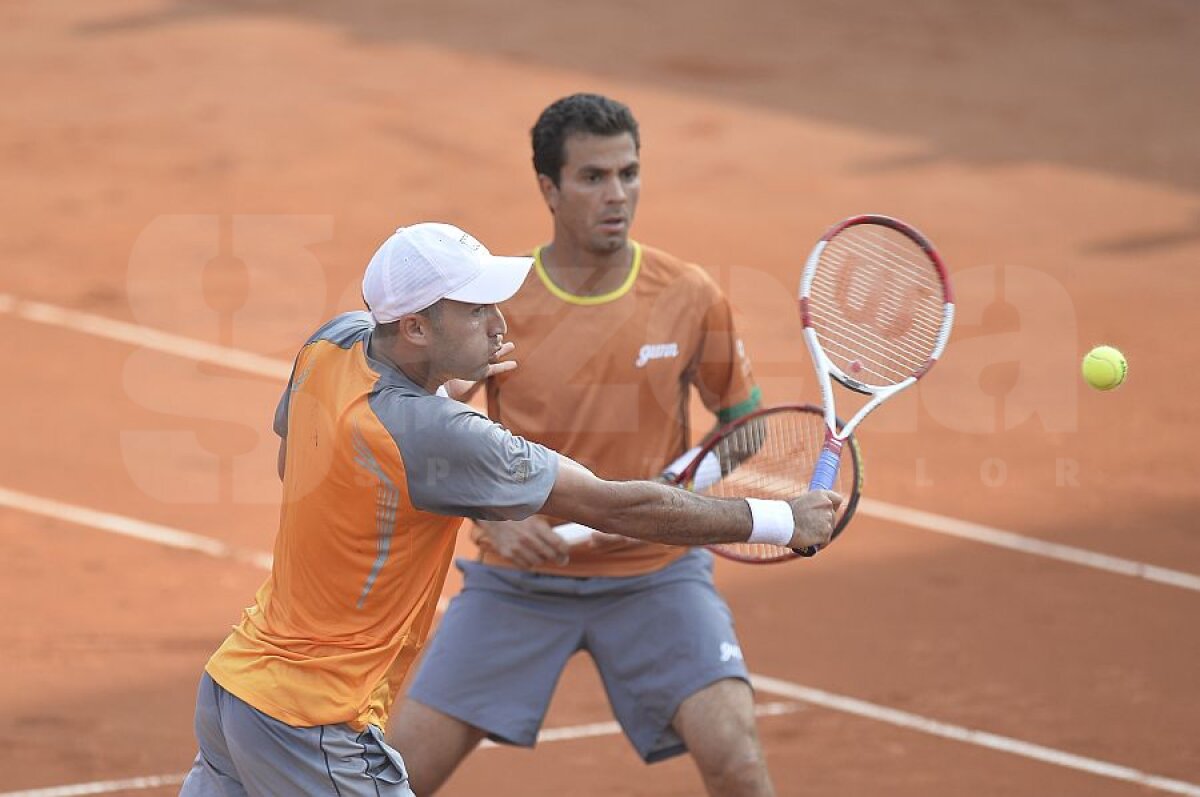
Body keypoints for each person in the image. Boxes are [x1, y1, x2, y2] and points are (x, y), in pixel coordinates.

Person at [179, 220, 840, 796]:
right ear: (414, 326)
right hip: (312, 718)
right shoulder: (442, 434)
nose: (499, 320)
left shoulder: (332, 343)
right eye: (474, 309)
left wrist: (443, 384)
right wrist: (781, 518)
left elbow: (292, 460)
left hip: (236, 688)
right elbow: (615, 504)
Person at [391, 94, 784, 797]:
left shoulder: (689, 295)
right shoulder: (499, 304)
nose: (618, 195)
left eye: (629, 173)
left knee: (738, 760)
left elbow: (745, 421)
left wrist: (693, 480)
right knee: (399, 774)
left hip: (656, 575)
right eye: (594, 177)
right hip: (520, 586)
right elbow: (425, 434)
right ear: (548, 187)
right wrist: (492, 519)